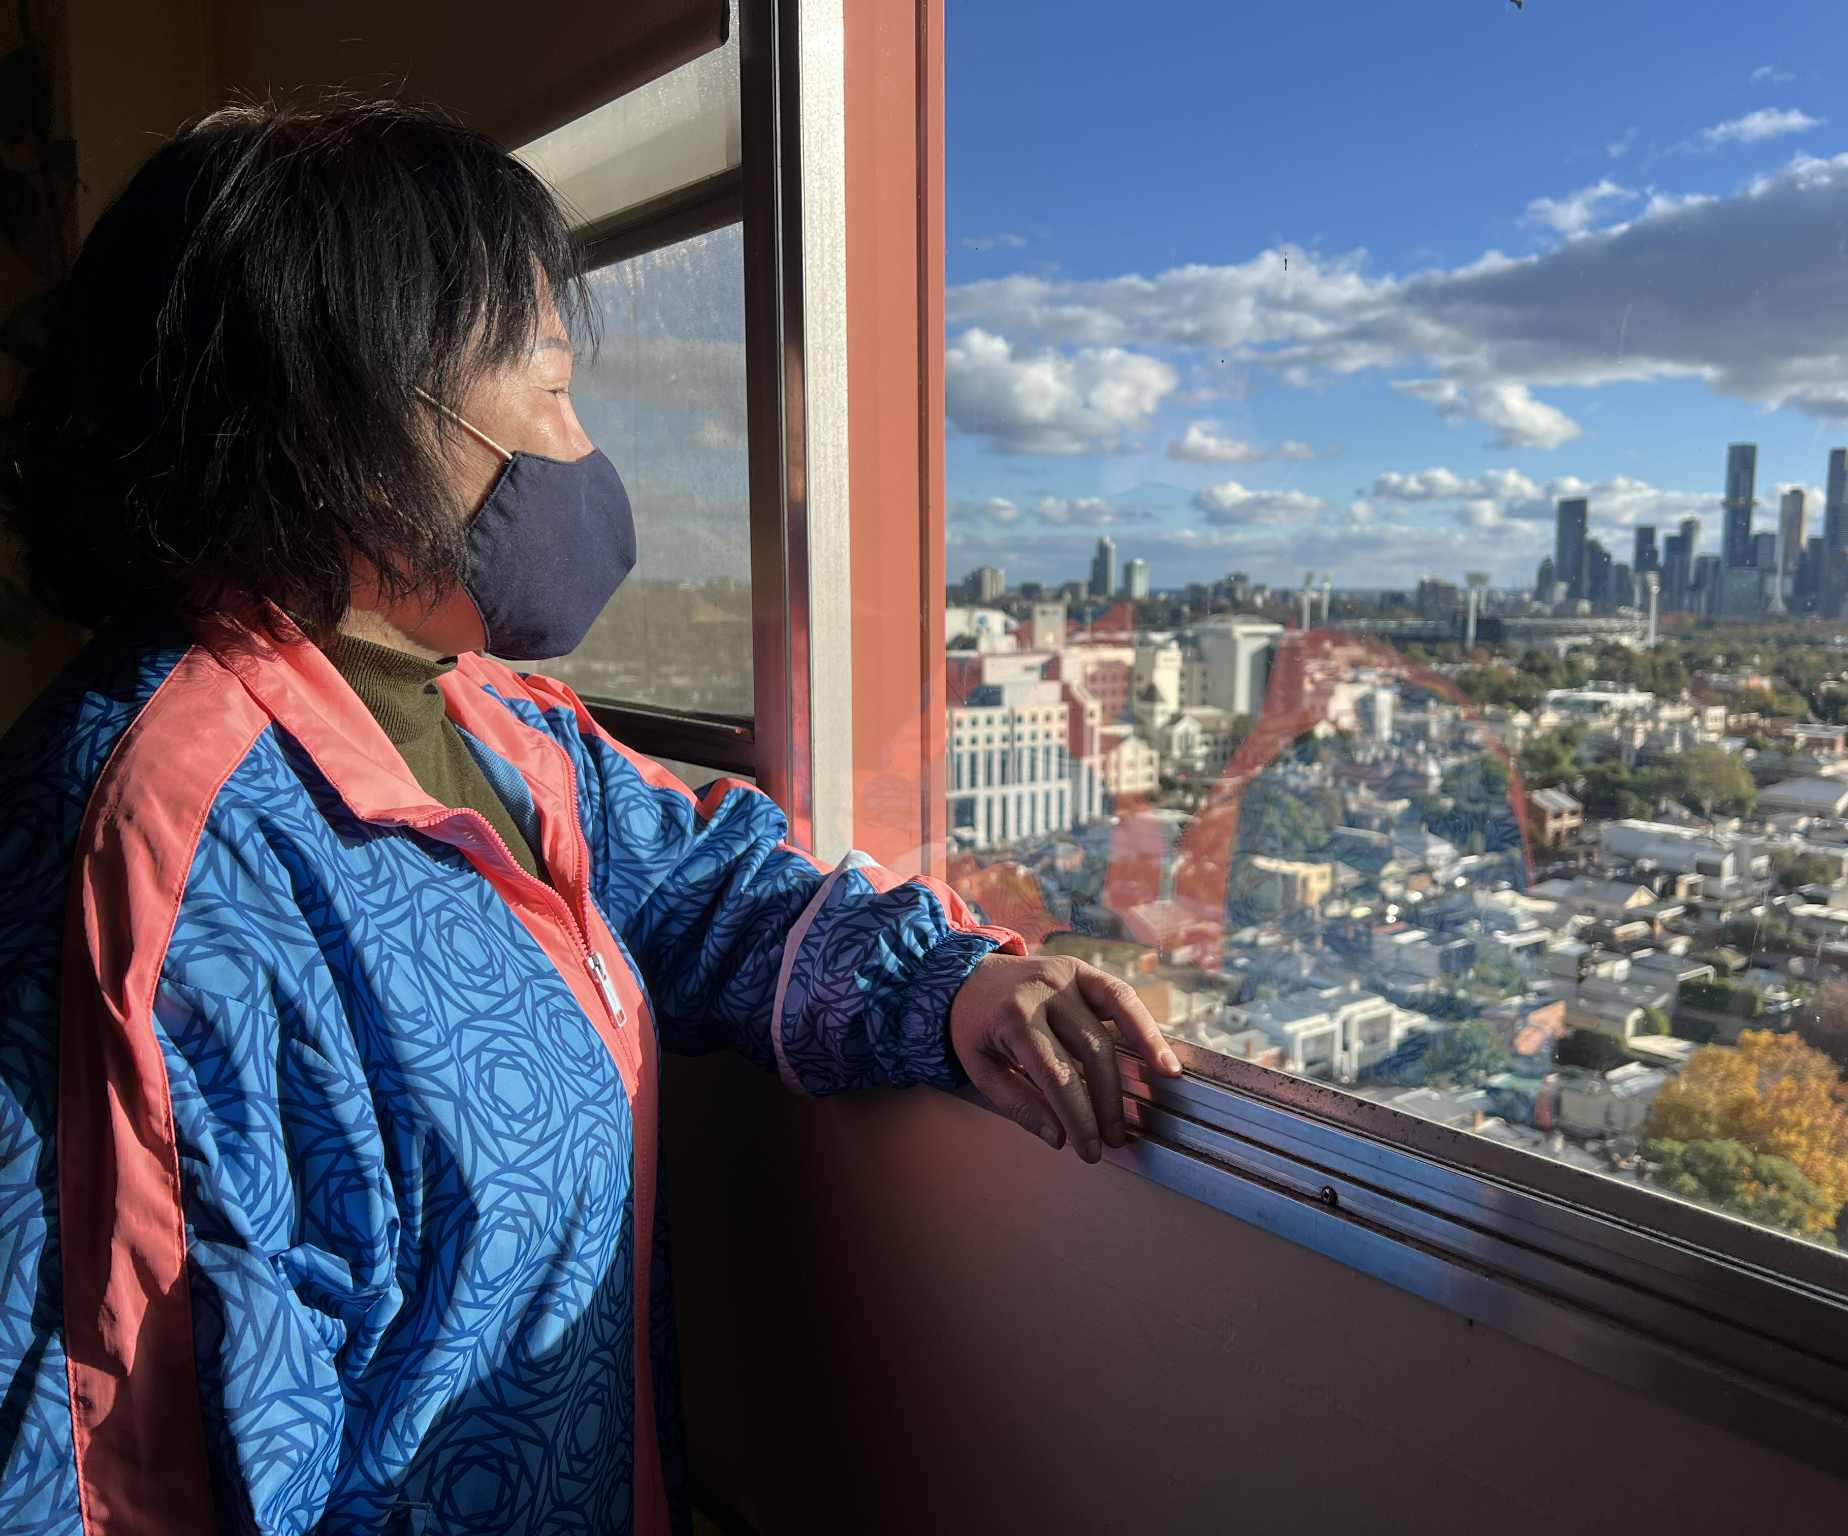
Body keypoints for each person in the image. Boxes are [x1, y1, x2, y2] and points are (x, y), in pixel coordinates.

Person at [0, 99, 1180, 1536]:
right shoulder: (156, 860)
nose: (581, 450)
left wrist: (950, 991)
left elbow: (690, 884)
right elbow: (101, 1459)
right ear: (342, 411)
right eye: (547, 384)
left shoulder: (482, 715)